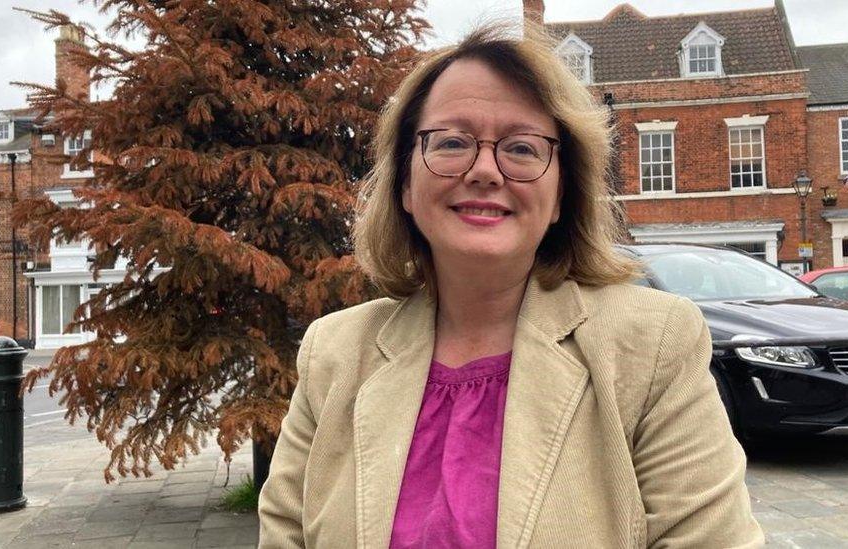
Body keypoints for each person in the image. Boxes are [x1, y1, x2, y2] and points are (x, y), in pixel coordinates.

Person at [258, 23, 763, 548]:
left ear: (562, 193)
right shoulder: (334, 352)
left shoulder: (653, 344)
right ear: (405, 184)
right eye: (451, 141)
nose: (485, 171)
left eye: (522, 148)